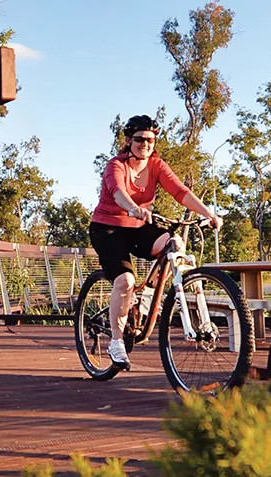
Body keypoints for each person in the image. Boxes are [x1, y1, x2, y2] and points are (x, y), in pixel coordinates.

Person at [89, 114, 222, 368]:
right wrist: (132, 208)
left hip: (138, 227)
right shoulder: (116, 165)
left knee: (175, 245)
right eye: (139, 139)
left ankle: (148, 297)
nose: (145, 144)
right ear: (129, 141)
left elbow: (180, 192)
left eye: (150, 139)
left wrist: (208, 213)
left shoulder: (157, 166)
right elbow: (118, 192)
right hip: (108, 229)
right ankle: (116, 342)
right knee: (125, 280)